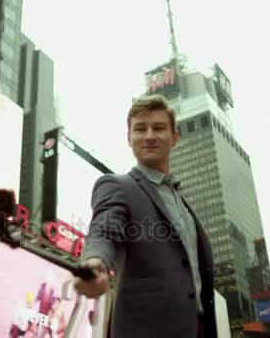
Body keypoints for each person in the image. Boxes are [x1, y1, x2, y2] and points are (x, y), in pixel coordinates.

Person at [73, 94, 217, 338]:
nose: (149, 136)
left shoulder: (184, 206)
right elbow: (104, 230)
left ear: (174, 137)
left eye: (158, 128)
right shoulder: (117, 186)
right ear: (129, 138)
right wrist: (95, 263)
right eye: (140, 129)